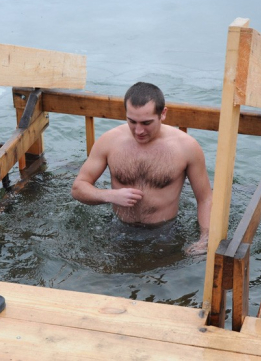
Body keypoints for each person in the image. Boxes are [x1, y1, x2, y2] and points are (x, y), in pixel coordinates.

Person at [71, 82, 212, 255]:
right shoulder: (110, 141)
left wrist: (205, 238)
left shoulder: (186, 147)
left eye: (146, 123)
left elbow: (205, 198)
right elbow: (78, 188)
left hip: (166, 232)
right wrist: (110, 195)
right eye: (132, 121)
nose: (138, 131)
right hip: (119, 227)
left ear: (163, 114)